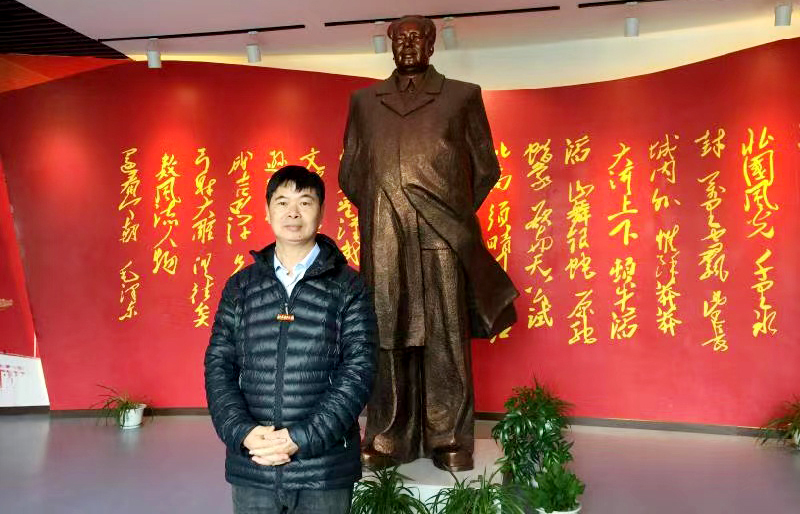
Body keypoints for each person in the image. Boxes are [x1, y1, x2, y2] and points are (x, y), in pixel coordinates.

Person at [338, 15, 518, 472]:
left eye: (416, 38)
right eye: (399, 39)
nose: (407, 45)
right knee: (387, 332)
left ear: (432, 45)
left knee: (445, 335)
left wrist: (447, 208)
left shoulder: (462, 96)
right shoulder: (364, 102)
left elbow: (485, 168)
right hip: (384, 232)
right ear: (390, 45)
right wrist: (385, 203)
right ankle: (387, 434)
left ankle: (449, 436)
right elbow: (351, 173)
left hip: (443, 233)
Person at [205, 165, 377, 514]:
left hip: (323, 469)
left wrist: (300, 438)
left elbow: (359, 371)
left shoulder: (349, 287)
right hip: (254, 463)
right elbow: (219, 365)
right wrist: (243, 433)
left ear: (321, 213)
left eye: (305, 202)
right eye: (282, 202)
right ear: (267, 211)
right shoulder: (241, 287)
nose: (293, 213)